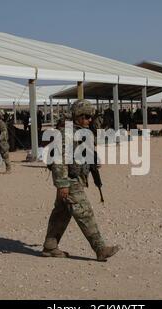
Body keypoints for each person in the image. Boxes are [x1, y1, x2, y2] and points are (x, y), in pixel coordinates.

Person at [42, 99, 119, 262]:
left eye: (90, 117)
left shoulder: (82, 132)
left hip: (75, 177)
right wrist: (62, 184)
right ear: (76, 116)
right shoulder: (66, 134)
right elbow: (59, 160)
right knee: (84, 212)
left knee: (62, 213)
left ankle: (50, 246)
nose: (89, 120)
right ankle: (100, 248)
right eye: (85, 116)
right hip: (69, 181)